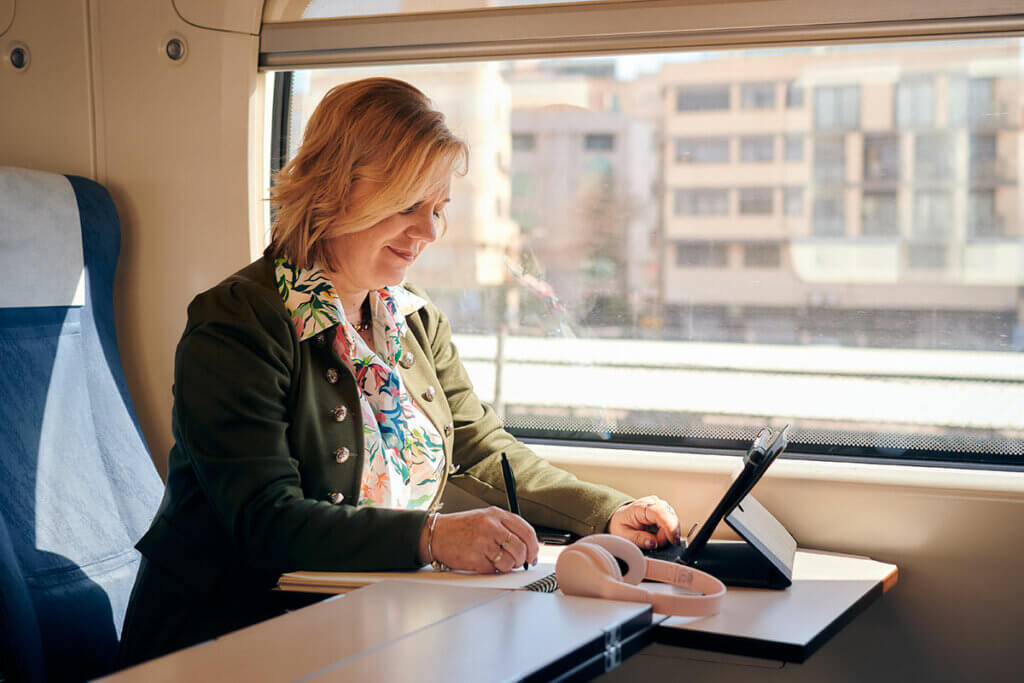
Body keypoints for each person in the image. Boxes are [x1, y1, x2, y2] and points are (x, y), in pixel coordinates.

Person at [116, 77, 681, 668]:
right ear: (334, 188)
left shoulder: (410, 317)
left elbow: (483, 451)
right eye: (410, 204)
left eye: (439, 209)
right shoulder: (238, 321)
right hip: (229, 636)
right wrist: (433, 537)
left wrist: (607, 513)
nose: (431, 232)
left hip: (365, 621)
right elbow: (265, 521)